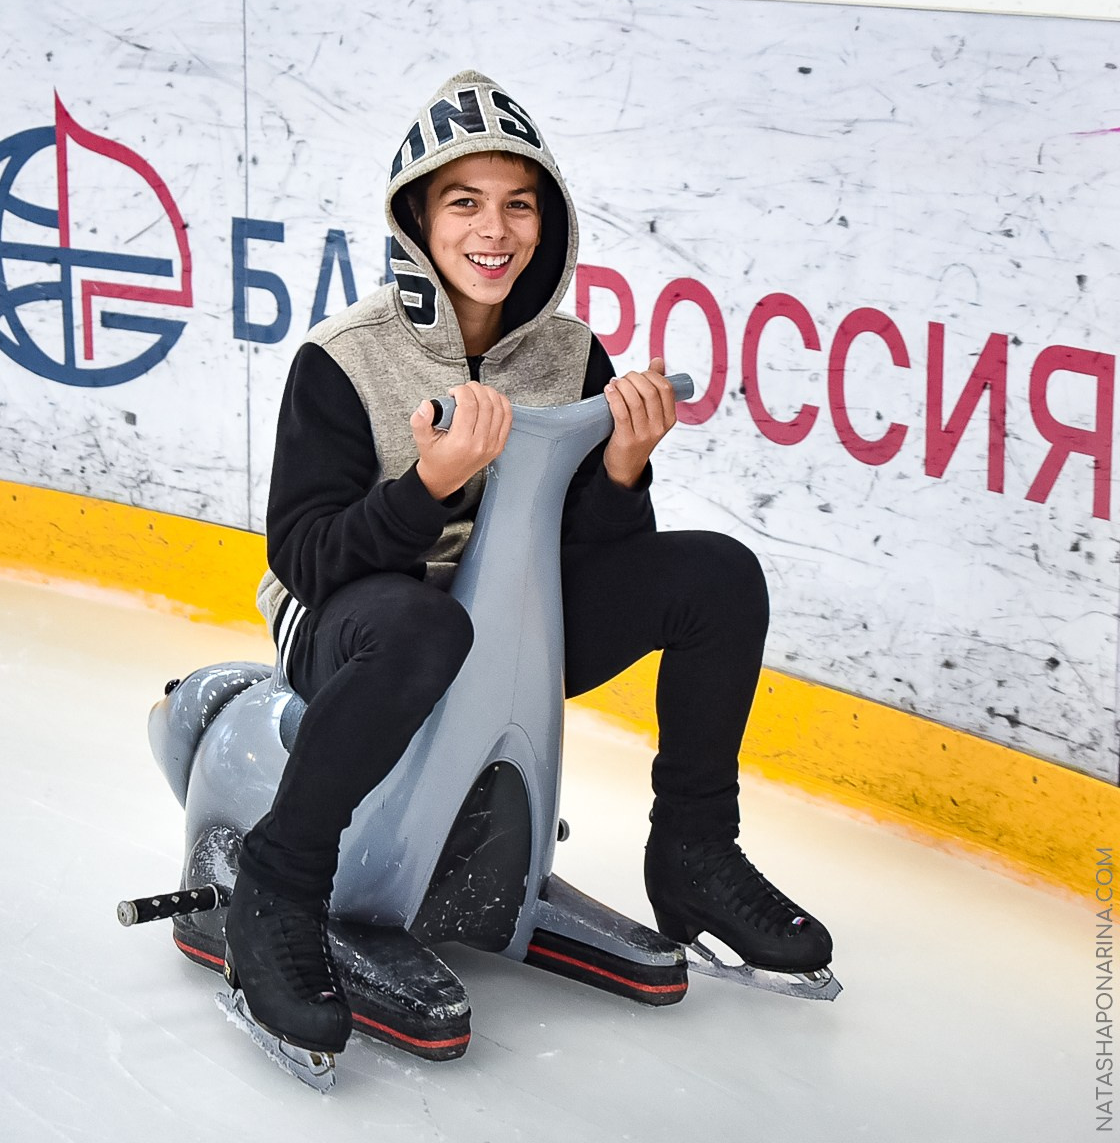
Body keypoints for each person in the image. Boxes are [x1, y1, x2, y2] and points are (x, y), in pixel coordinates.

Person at [223, 71, 833, 1056]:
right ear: (419, 217)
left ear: (547, 221)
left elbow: (595, 559)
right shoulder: (343, 359)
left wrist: (623, 470)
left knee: (718, 578)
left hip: (504, 616)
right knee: (429, 626)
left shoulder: (571, 354)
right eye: (464, 202)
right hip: (357, 620)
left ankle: (694, 851)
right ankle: (280, 885)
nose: (493, 229)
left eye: (519, 202)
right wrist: (424, 490)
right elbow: (305, 557)